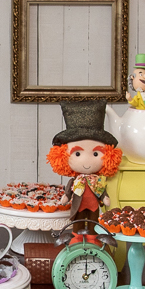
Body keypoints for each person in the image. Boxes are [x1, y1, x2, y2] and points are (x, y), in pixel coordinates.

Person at [45, 102, 123, 243]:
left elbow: (102, 190)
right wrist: (66, 197)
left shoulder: (98, 181)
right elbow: (69, 191)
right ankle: (76, 237)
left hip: (93, 205)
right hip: (78, 205)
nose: (86, 161)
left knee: (94, 221)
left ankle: (93, 237)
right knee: (78, 221)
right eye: (78, 154)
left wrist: (105, 197)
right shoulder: (75, 181)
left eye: (95, 154)